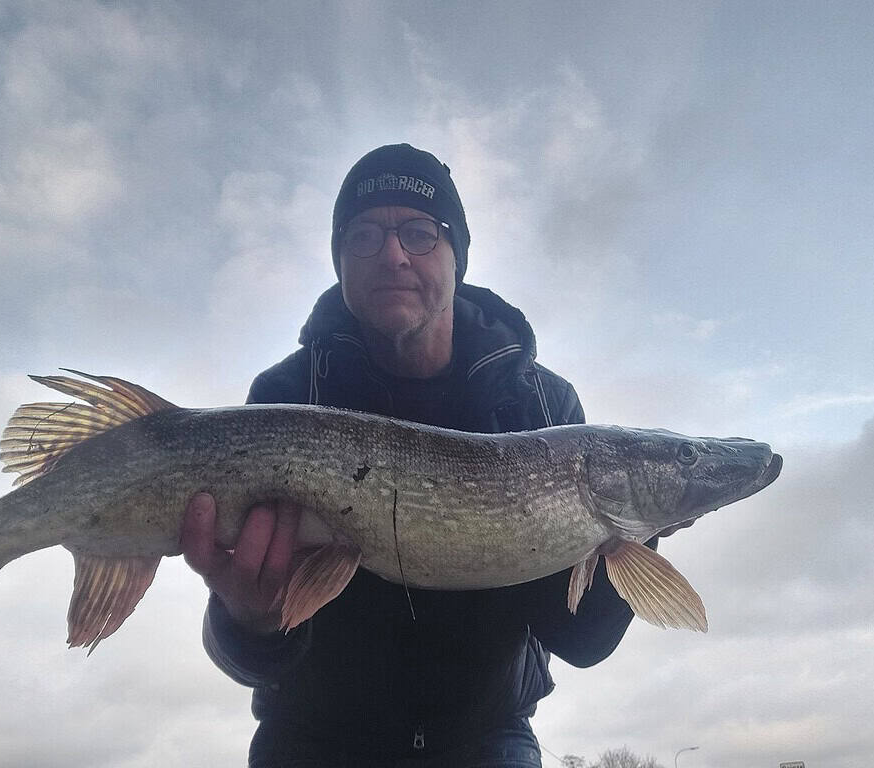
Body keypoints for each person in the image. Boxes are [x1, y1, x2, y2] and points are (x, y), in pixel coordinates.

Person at [179, 144, 658, 768]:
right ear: (340, 262)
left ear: (456, 255)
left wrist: (637, 537)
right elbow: (248, 659)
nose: (394, 255)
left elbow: (581, 639)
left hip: (486, 737)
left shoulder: (539, 401)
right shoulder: (289, 397)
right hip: (311, 737)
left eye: (418, 233)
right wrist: (249, 618)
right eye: (365, 236)